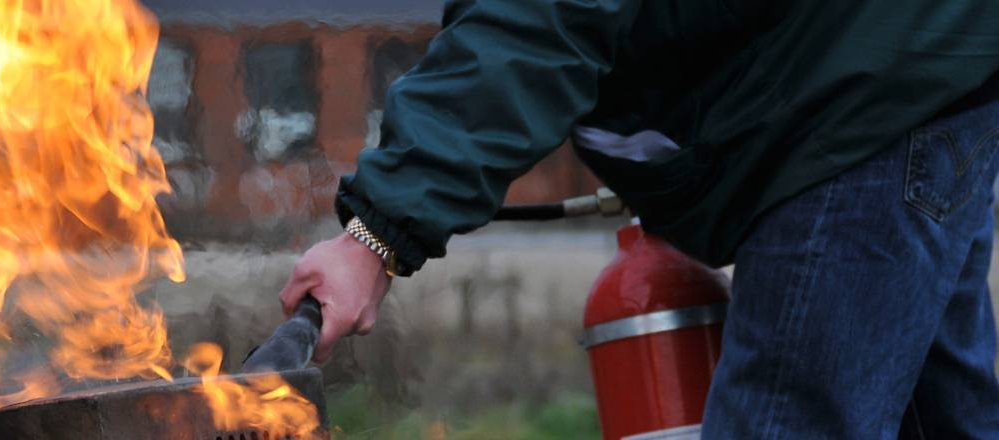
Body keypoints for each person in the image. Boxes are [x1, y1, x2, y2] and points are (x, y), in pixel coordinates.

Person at [276, 0, 999, 437]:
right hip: (927, 66)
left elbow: (533, 25)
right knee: (941, 420)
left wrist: (373, 236)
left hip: (854, 100)